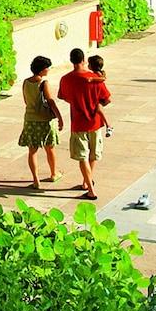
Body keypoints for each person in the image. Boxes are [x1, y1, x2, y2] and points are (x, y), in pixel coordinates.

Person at [56, 48, 112, 200]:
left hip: (78, 123)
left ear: (71, 60)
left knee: (83, 157)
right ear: (84, 60)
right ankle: (87, 184)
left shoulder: (66, 79)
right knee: (93, 154)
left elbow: (63, 96)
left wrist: (76, 101)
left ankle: (89, 186)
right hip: (95, 122)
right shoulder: (95, 79)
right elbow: (107, 99)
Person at [18, 55, 62, 186]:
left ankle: (36, 180)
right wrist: (59, 117)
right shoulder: (43, 83)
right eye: (47, 67)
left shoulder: (26, 82)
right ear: (42, 69)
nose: (48, 69)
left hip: (30, 119)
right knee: (50, 148)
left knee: (32, 151)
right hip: (44, 120)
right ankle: (54, 173)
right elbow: (51, 102)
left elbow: (26, 100)